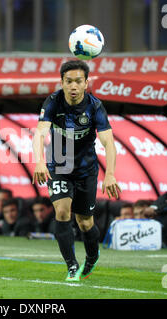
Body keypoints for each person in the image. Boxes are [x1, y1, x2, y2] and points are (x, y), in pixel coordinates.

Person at [32, 59, 121, 282]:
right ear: (61, 82)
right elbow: (40, 133)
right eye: (68, 81)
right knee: (62, 212)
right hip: (58, 167)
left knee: (85, 222)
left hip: (86, 171)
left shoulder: (95, 106)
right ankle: (72, 265)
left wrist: (109, 174)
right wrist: (39, 161)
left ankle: (92, 256)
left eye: (78, 81)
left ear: (86, 83)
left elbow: (109, 142)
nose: (73, 86)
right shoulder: (52, 102)